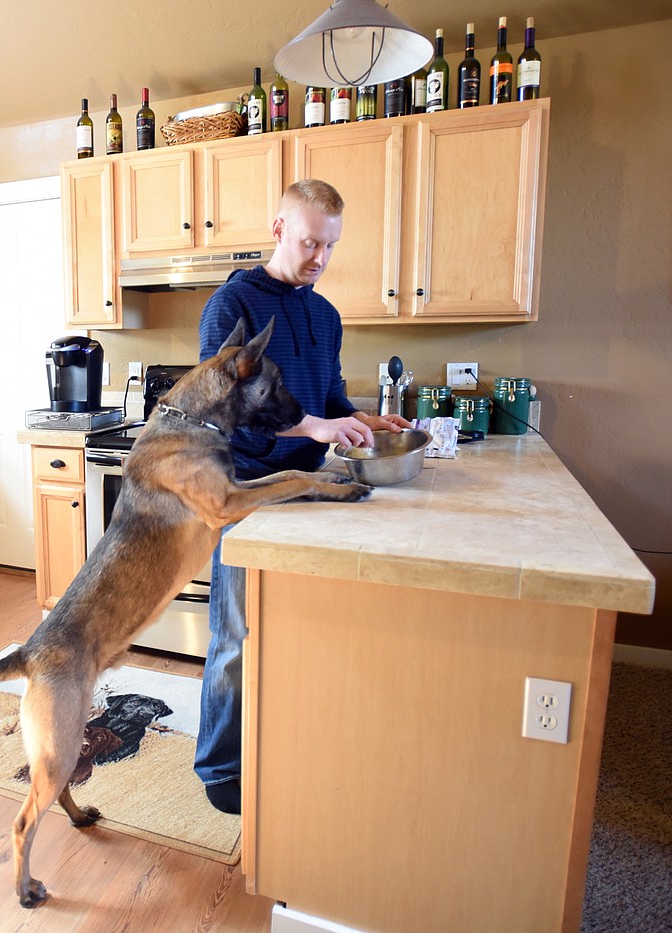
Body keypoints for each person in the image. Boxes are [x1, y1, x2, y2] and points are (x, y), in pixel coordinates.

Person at [195, 178, 410, 814]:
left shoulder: (324, 314)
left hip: (307, 486)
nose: (320, 257)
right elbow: (225, 404)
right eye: (311, 242)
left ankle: (282, 745)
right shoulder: (232, 307)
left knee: (300, 633)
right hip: (245, 488)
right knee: (237, 635)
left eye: (331, 246)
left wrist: (366, 419)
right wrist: (314, 427)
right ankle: (219, 769)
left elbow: (329, 398)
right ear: (279, 230)